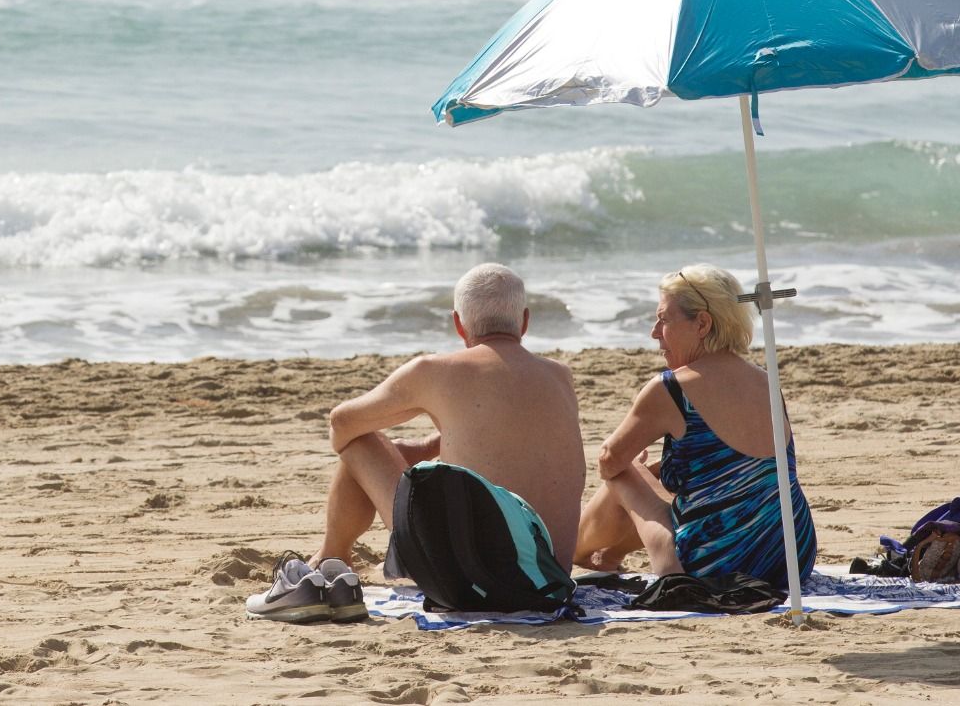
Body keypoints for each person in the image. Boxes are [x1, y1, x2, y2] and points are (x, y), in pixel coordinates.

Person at [246, 263, 585, 622]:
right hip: (548, 579)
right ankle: (337, 558)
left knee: (361, 441)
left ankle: (332, 559)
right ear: (525, 321)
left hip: (471, 582)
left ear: (458, 323)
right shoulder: (560, 376)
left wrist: (395, 453)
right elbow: (513, 441)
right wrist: (427, 447)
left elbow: (341, 423)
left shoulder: (435, 370)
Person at [574, 264, 816, 583]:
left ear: (702, 323)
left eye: (663, 320)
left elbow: (608, 462)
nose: (654, 333)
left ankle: (575, 552)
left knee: (623, 473)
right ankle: (612, 554)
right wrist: (660, 469)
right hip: (791, 557)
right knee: (656, 478)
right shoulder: (766, 382)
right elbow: (736, 468)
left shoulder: (671, 389)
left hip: (711, 563)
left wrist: (637, 470)